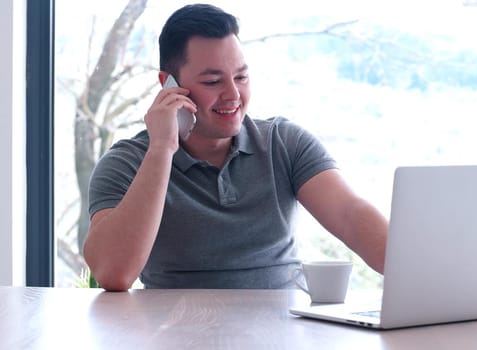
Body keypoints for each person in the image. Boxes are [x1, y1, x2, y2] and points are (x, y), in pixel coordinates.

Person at [83, 3, 388, 291]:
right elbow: (113, 272)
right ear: (169, 85)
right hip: (177, 336)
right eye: (213, 81)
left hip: (282, 336)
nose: (233, 95)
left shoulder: (284, 143)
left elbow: (350, 216)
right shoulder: (128, 162)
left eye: (241, 77)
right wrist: (162, 148)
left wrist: (424, 273)